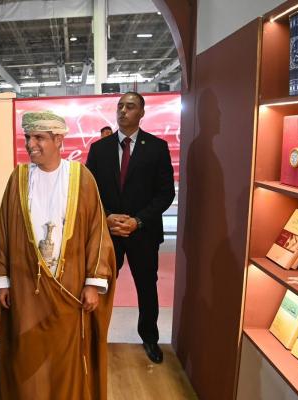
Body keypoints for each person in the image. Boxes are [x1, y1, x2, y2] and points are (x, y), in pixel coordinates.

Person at [0, 110, 115, 400]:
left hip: (69, 287)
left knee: (65, 357)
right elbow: (3, 230)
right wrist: (1, 280)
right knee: (25, 355)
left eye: (39, 138)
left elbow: (97, 232)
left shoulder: (81, 178)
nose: (30, 144)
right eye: (27, 137)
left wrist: (93, 283)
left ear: (58, 140)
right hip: (25, 288)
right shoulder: (18, 178)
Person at [86, 92, 175, 364]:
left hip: (143, 233)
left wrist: (138, 221)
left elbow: (165, 193)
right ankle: (93, 336)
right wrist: (107, 217)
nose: (123, 111)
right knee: (98, 286)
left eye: (130, 106)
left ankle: (149, 337)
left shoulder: (157, 148)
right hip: (108, 233)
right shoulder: (99, 149)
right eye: (120, 106)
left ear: (142, 113)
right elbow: (89, 192)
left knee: (147, 287)